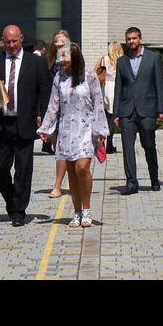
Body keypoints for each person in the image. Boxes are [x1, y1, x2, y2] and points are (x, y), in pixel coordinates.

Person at [0, 24, 51, 226]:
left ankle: (19, 211)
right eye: (7, 42)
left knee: (23, 170)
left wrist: (46, 121)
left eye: (15, 41)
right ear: (2, 42)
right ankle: (12, 200)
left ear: (22, 39)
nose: (11, 45)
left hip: (24, 124)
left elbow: (45, 94)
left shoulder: (35, 63)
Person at [38, 42, 107, 229]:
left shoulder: (90, 77)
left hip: (86, 128)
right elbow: (53, 105)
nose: (61, 61)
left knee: (82, 168)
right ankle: (76, 212)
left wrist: (101, 130)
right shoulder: (58, 78)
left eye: (65, 57)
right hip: (66, 129)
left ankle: (87, 209)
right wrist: (46, 128)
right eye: (60, 57)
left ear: (75, 58)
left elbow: (98, 102)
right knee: (71, 171)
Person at [113, 25, 163, 194]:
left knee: (149, 145)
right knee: (127, 147)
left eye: (134, 38)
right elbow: (118, 88)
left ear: (140, 39)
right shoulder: (122, 61)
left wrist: (161, 109)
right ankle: (131, 183)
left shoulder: (153, 58)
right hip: (127, 111)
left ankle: (154, 178)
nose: (131, 42)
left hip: (147, 110)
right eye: (128, 39)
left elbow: (159, 85)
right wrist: (116, 113)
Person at [45, 30, 73, 194]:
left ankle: (58, 184)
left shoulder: (74, 59)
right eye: (57, 41)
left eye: (63, 41)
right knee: (59, 149)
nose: (60, 44)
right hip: (54, 107)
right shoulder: (48, 62)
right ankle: (63, 181)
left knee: (65, 149)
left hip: (71, 108)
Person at [95, 41, 123, 154]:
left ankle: (102, 142)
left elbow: (95, 71)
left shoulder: (103, 59)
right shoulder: (122, 60)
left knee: (105, 117)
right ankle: (109, 144)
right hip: (116, 88)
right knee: (112, 117)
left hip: (105, 88)